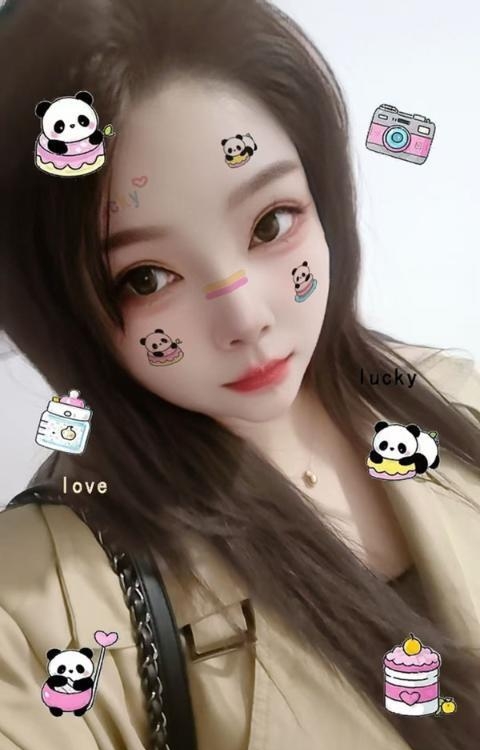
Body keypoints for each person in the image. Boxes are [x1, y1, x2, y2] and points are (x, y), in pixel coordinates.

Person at [0, 0, 479, 748]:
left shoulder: (458, 395)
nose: (245, 318)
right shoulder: (38, 600)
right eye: (146, 278)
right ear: (63, 310)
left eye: (270, 222)